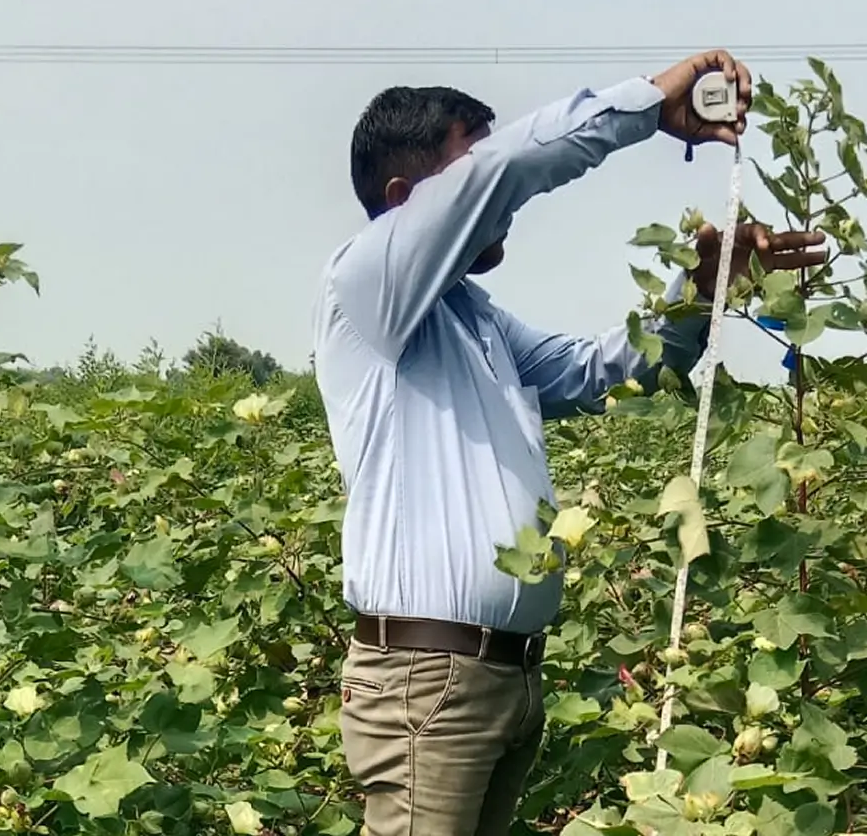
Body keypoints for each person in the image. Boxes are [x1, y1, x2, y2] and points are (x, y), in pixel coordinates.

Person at [311, 50, 830, 836]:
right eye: (468, 166)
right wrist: (650, 104)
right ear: (406, 202)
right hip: (426, 679)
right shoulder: (365, 288)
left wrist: (702, 288)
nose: (499, 202)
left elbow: (600, 371)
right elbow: (511, 170)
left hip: (501, 676)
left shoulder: (475, 320)